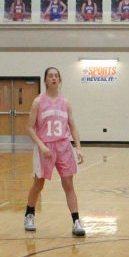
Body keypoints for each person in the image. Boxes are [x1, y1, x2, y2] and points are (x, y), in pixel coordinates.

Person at [23, 67, 86, 237]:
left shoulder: (65, 103)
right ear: (45, 80)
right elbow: (29, 127)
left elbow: (72, 126)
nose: (53, 78)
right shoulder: (38, 102)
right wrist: (41, 146)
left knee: (68, 184)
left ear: (60, 80)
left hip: (64, 146)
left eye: (56, 76)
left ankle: (76, 221)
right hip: (46, 147)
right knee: (38, 184)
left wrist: (78, 148)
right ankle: (29, 214)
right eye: (50, 76)